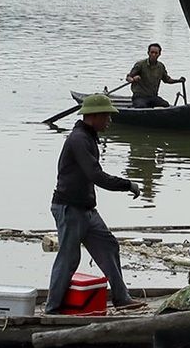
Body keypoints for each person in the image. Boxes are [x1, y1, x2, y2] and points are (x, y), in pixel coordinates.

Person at [48, 93, 143, 312]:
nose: (110, 120)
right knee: (69, 258)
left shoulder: (88, 136)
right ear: (93, 116)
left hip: (86, 209)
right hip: (70, 208)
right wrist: (127, 184)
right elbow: (96, 175)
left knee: (108, 246)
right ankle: (52, 309)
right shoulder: (79, 140)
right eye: (107, 116)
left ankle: (121, 298)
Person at [126, 43, 186, 109]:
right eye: (152, 52)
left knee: (165, 105)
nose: (153, 55)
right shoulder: (140, 64)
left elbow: (167, 80)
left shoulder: (160, 66)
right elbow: (128, 77)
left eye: (156, 53)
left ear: (159, 54)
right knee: (141, 107)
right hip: (139, 96)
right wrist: (133, 79)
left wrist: (179, 80)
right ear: (148, 53)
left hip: (153, 97)